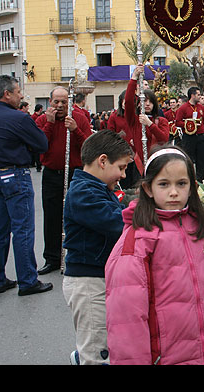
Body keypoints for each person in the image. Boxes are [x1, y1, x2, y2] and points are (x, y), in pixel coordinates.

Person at [105, 146, 204, 365]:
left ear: (192, 187)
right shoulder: (138, 239)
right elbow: (126, 320)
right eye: (164, 184)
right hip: (164, 355)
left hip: (197, 349)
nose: (174, 192)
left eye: (181, 183)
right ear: (148, 189)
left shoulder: (192, 221)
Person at [62, 129, 133, 365]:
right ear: (103, 161)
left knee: (104, 343)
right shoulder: (84, 193)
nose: (123, 175)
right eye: (121, 168)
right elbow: (118, 221)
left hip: (98, 277)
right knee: (97, 351)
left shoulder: (96, 188)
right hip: (88, 283)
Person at [0, 76, 52, 296]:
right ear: (7, 94)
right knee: (22, 229)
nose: (21, 95)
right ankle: (27, 280)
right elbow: (41, 144)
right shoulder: (18, 118)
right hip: (14, 174)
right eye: (18, 92)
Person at [35, 86, 93, 274]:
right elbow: (39, 146)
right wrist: (50, 124)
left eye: (63, 102)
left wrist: (75, 130)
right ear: (50, 102)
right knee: (51, 217)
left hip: (75, 173)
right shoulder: (43, 119)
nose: (59, 106)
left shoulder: (79, 118)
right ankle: (52, 258)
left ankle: (77, 254)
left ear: (69, 102)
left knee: (77, 215)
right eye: (56, 102)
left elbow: (89, 147)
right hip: (51, 174)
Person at [125, 65, 170, 177]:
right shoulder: (135, 120)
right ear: (139, 104)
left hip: (157, 163)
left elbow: (164, 138)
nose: (147, 104)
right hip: (139, 165)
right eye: (144, 101)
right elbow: (128, 102)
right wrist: (134, 78)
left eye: (150, 101)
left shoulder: (162, 121)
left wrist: (150, 124)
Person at [175, 85, 204, 182]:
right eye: (198, 95)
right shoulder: (183, 108)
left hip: (201, 136)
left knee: (201, 160)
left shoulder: (201, 107)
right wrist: (188, 123)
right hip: (189, 137)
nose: (200, 97)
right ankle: (189, 179)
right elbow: (177, 122)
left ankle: (200, 180)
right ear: (192, 95)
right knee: (189, 159)